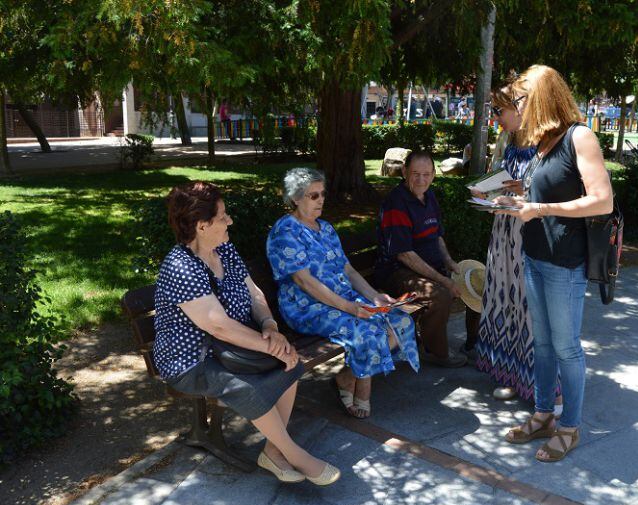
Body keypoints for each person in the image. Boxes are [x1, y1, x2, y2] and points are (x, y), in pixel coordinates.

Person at [153, 181, 340, 485]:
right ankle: (293, 453)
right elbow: (217, 325)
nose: (230, 221)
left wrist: (269, 326)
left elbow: (253, 292)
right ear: (202, 226)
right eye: (223, 216)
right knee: (244, 386)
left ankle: (272, 452)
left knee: (290, 361)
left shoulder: (223, 248)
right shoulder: (181, 267)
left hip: (230, 346)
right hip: (191, 361)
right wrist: (269, 346)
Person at [492, 65, 613, 462]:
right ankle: (543, 414)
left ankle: (570, 426)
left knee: (566, 348)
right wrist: (521, 194)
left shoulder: (580, 136)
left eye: (522, 99)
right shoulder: (543, 142)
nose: (519, 107)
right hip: (535, 257)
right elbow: (552, 189)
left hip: (564, 264)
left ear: (542, 96)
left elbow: (601, 200)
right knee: (541, 345)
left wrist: (540, 207)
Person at [267, 168, 419, 419]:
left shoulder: (325, 228)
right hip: (306, 305)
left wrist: (374, 297)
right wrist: (350, 308)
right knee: (368, 329)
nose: (321, 200)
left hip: (340, 298)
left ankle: (347, 377)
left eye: (322, 194)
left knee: (400, 320)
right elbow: (305, 283)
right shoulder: (285, 232)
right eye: (313, 196)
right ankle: (363, 388)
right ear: (295, 198)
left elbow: (348, 270)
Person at [466, 81, 563, 417]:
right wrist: (487, 194)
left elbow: (560, 192)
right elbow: (503, 180)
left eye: (499, 110)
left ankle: (550, 387)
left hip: (532, 237)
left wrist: (526, 188)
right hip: (504, 234)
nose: (496, 117)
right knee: (505, 300)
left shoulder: (547, 144)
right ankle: (510, 373)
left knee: (531, 308)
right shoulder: (509, 142)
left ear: (520, 108)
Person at [375, 150, 477, 368]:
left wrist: (450, 263)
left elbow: (436, 235)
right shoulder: (397, 203)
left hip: (427, 267)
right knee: (439, 295)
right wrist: (443, 280)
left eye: (426, 174)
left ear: (433, 175)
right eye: (415, 174)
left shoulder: (428, 196)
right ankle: (435, 351)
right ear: (404, 172)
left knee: (474, 279)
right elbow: (405, 255)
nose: (421, 180)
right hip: (396, 272)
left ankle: (473, 343)